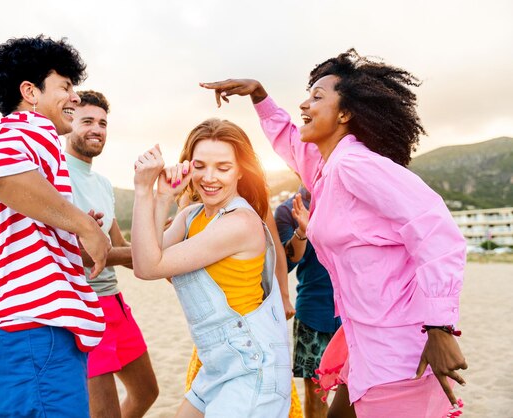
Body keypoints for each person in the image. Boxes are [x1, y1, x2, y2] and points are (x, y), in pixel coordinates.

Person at [200, 49, 468, 417]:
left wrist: (440, 327)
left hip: (400, 349)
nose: (304, 103)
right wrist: (260, 97)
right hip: (366, 342)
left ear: (345, 113)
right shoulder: (331, 167)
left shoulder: (355, 165)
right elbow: (294, 147)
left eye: (317, 97)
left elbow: (436, 229)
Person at [0, 35, 111, 418]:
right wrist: (84, 226)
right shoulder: (25, 128)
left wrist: (69, 238)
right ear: (30, 92)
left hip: (23, 338)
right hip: (27, 336)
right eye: (65, 87)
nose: (75, 98)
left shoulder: (29, 138)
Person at [131, 119, 292, 417]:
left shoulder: (240, 223)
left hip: (251, 367)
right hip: (216, 365)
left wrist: (143, 190)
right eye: (200, 165)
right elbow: (145, 255)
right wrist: (163, 196)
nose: (209, 177)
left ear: (241, 170)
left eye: (223, 167)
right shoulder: (191, 216)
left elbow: (149, 266)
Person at [64, 90, 159, 418]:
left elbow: (122, 249)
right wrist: (120, 252)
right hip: (83, 308)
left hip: (114, 302)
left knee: (147, 391)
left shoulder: (103, 184)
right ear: (69, 122)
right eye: (87, 121)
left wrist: (163, 241)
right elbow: (83, 255)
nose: (97, 129)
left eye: (103, 123)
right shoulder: (59, 175)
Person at [275, 186, 341, 418]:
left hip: (357, 314)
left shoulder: (350, 196)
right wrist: (302, 231)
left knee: (357, 393)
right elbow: (286, 265)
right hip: (313, 313)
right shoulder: (286, 211)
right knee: (316, 396)